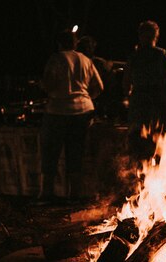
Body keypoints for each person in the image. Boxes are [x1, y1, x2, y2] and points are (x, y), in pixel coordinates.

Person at [39, 29, 104, 201]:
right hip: (82, 110)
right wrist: (87, 97)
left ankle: (47, 192)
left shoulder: (56, 59)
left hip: (58, 110)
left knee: (51, 151)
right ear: (75, 43)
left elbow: (48, 84)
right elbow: (99, 87)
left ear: (60, 43)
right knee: (75, 151)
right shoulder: (86, 60)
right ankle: (74, 192)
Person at [122, 20, 166, 166]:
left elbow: (125, 84)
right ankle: (161, 179)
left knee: (140, 147)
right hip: (161, 105)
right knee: (162, 144)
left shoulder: (134, 57)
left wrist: (130, 97)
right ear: (157, 36)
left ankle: (142, 180)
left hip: (139, 107)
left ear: (140, 36)